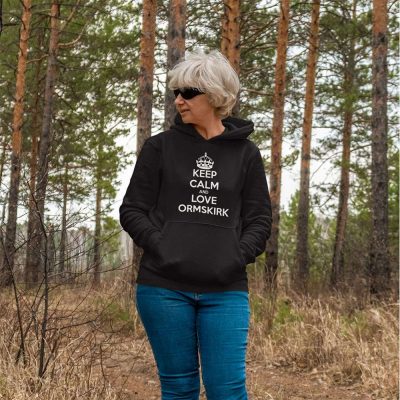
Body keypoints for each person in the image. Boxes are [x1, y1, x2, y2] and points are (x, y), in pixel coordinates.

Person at [120, 49, 272, 400]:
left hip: (226, 291)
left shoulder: (246, 154)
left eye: (188, 93)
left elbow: (260, 219)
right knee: (179, 389)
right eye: (176, 92)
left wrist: (235, 255)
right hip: (163, 288)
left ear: (215, 96)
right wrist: (164, 246)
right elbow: (132, 210)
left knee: (228, 391)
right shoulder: (159, 148)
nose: (179, 100)